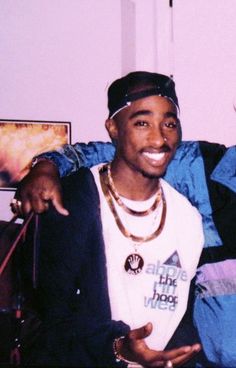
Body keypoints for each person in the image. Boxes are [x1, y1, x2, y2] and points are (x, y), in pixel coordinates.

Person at [15, 71, 207, 367]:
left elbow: (180, 315)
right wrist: (116, 348)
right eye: (142, 123)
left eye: (169, 124)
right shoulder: (72, 202)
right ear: (113, 128)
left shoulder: (188, 218)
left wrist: (178, 354)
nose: (159, 138)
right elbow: (46, 323)